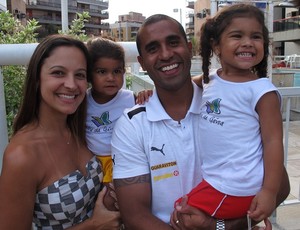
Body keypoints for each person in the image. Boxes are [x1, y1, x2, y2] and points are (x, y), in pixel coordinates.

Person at [111, 14, 290, 230]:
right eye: (153, 49)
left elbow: (280, 186)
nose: (166, 54)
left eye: (173, 43)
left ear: (189, 48)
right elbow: (135, 216)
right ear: (141, 62)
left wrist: (216, 226)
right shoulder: (131, 125)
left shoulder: (232, 105)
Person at [175, 3, 284, 224]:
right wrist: (148, 93)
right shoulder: (210, 79)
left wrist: (270, 192)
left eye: (256, 37)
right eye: (237, 36)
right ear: (216, 45)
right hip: (217, 181)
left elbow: (273, 142)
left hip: (235, 186)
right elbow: (180, 87)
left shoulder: (262, 91)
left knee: (180, 213)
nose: (248, 43)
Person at [0, 34, 120, 229]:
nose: (72, 85)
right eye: (58, 73)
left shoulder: (80, 128)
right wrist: (94, 225)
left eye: (80, 75)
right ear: (37, 78)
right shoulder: (21, 156)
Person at [85, 37, 152, 210]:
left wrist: (146, 96)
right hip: (92, 162)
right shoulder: (82, 101)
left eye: (117, 71)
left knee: (111, 202)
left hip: (121, 160)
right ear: (88, 73)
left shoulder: (130, 98)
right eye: (101, 72)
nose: (110, 78)